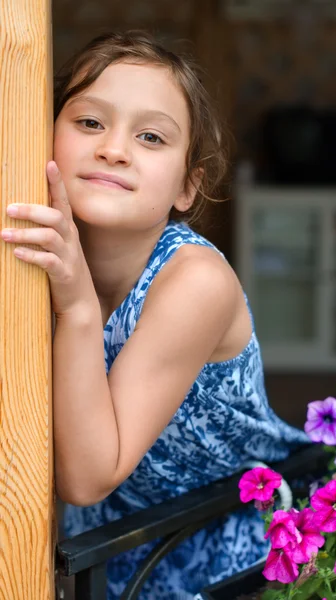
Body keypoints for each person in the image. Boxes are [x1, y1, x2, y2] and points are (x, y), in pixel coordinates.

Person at [1, 30, 309, 600]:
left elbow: (89, 476)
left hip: (228, 557)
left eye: (150, 136)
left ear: (188, 187)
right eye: (90, 123)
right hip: (112, 550)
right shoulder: (28, 255)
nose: (114, 149)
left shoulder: (194, 282)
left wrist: (76, 306)